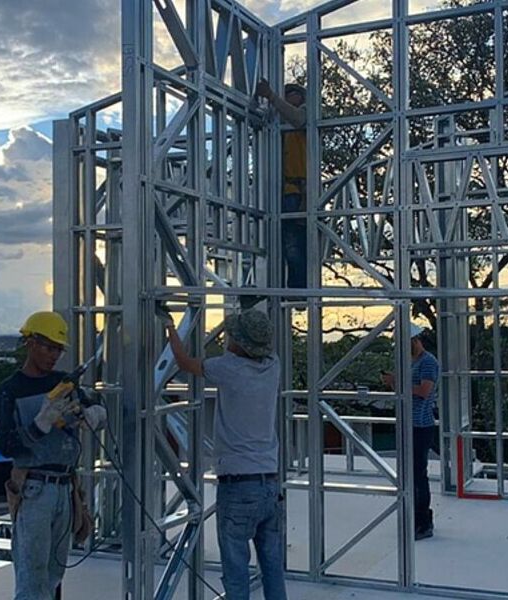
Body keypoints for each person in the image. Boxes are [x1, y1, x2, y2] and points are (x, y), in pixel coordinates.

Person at [166, 309, 286, 600]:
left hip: (238, 486)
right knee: (272, 567)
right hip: (270, 484)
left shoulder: (228, 368)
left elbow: (183, 363)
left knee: (235, 572)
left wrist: (170, 327)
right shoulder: (273, 366)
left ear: (239, 342)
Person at [0, 311, 106, 600]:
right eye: (48, 347)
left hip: (65, 487)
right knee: (32, 576)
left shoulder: (64, 384)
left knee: (54, 575)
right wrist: (39, 425)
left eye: (58, 349)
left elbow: (94, 407)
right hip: (34, 489)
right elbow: (7, 445)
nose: (54, 355)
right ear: (30, 343)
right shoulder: (10, 390)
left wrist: (93, 414)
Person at [381, 322, 440, 540]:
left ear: (415, 341)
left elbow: (424, 391)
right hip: (409, 424)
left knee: (418, 475)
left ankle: (423, 521)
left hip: (420, 425)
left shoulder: (428, 362)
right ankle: (416, 518)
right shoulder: (411, 362)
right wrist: (394, 382)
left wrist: (397, 381)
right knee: (411, 474)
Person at [255, 78, 307, 289]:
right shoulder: (278, 122)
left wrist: (272, 97)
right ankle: (286, 288)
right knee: (282, 244)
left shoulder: (305, 114)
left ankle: (298, 289)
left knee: (294, 244)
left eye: (290, 93)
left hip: (297, 190)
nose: (286, 97)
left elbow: (299, 119)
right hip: (280, 190)